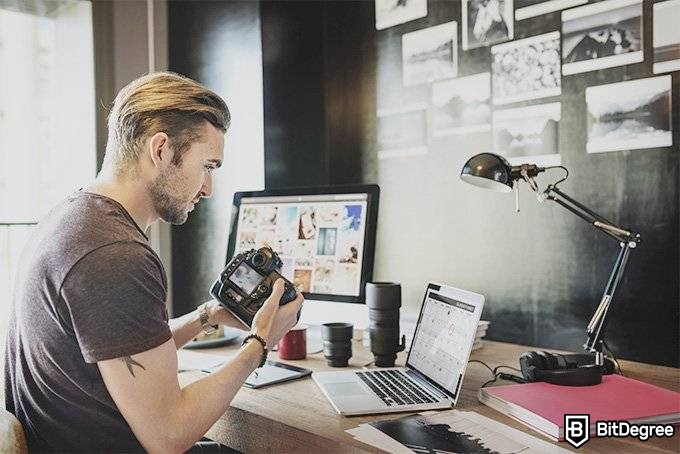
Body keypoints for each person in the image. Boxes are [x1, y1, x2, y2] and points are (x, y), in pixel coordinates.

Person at [4, 72, 304, 452]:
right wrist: (260, 342)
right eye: (207, 167)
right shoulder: (115, 255)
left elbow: (120, 348)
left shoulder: (73, 219)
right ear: (160, 149)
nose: (208, 189)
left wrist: (205, 317)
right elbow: (168, 435)